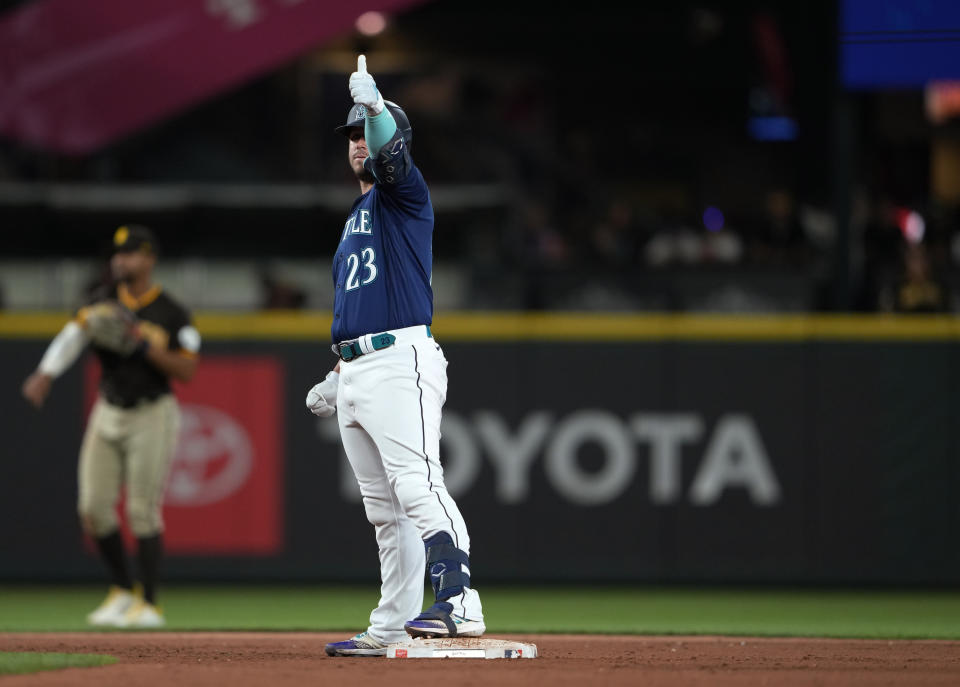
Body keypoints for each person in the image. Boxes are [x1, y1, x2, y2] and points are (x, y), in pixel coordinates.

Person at [306, 55, 485, 657]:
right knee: (385, 511)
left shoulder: (404, 195)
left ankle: (460, 601)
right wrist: (340, 371)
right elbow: (362, 302)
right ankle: (390, 625)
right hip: (360, 367)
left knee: (416, 483)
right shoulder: (358, 216)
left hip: (399, 359)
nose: (358, 143)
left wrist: (379, 110)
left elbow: (391, 161)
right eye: (352, 133)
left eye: (366, 133)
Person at [21, 225, 200, 628]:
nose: (121, 260)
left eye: (131, 253)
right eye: (118, 254)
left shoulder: (170, 311)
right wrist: (46, 373)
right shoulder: (101, 300)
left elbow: (187, 369)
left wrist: (142, 344)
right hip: (108, 409)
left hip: (152, 412)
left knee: (142, 512)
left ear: (149, 258)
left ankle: (149, 604)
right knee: (93, 509)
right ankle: (122, 591)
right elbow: (73, 335)